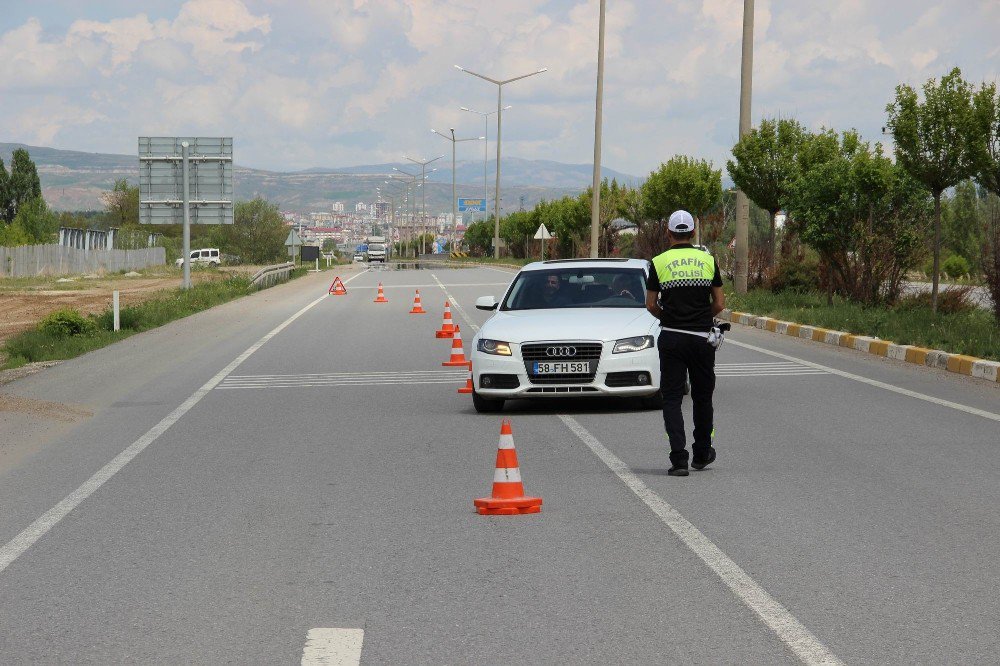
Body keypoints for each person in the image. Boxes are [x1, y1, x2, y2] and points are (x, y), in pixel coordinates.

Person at [645, 210, 725, 477]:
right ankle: (702, 453)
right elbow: (720, 303)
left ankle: (679, 459)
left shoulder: (658, 262)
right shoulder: (708, 260)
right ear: (693, 233)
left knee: (672, 398)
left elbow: (650, 304)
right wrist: (702, 317)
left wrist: (668, 317)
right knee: (703, 397)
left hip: (672, 337)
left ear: (668, 233)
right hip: (702, 338)